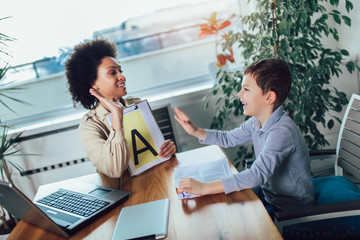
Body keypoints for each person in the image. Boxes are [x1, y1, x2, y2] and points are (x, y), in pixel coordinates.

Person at [174, 58, 314, 217]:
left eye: (246, 89)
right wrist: (195, 131)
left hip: (290, 209)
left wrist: (204, 188)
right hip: (270, 196)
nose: (239, 94)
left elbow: (256, 176)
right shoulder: (257, 122)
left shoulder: (282, 131)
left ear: (269, 97)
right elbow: (228, 138)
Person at [65, 38, 176, 182]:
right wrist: (117, 118)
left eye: (120, 70)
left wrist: (168, 148)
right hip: (123, 191)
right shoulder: (89, 126)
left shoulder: (137, 104)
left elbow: (152, 152)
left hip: (157, 181)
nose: (122, 76)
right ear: (94, 83)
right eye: (112, 73)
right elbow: (115, 170)